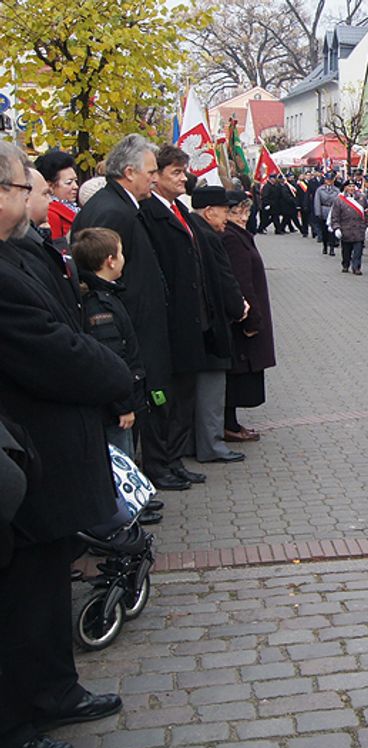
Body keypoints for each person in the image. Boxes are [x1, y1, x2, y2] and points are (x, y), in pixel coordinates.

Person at [0, 140, 132, 748]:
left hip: (48, 446)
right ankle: (15, 723)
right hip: (27, 446)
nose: (38, 195)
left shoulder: (21, 250)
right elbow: (49, 346)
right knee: (20, 593)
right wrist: (115, 375)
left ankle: (55, 690)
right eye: (22, 187)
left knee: (45, 583)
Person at [71, 135, 176, 491]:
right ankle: (142, 480)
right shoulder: (111, 210)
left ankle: (161, 465)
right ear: (129, 172)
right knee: (138, 409)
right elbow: (101, 271)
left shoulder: (125, 205)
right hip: (129, 328)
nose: (154, 177)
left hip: (139, 324)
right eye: (150, 171)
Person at [138, 144, 215, 491]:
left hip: (190, 317)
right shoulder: (149, 212)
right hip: (171, 319)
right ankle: (162, 463)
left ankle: (176, 459)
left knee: (183, 396)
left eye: (184, 172)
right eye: (176, 173)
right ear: (156, 179)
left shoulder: (176, 209)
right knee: (166, 400)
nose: (185, 178)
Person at [71, 227, 148, 462]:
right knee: (120, 459)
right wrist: (123, 405)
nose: (124, 259)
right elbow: (111, 357)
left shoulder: (107, 295)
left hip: (117, 400)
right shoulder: (99, 305)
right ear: (110, 261)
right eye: (121, 253)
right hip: (115, 406)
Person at [187, 186, 248, 464]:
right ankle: (212, 445)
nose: (228, 218)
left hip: (200, 322)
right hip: (210, 325)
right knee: (211, 391)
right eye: (225, 212)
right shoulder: (209, 237)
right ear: (209, 211)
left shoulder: (196, 229)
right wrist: (239, 306)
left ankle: (199, 442)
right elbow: (223, 277)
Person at [221, 197, 275, 441]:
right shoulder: (231, 238)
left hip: (247, 315)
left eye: (246, 211)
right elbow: (242, 282)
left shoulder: (238, 234)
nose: (243, 217)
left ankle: (231, 422)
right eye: (236, 212)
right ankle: (228, 424)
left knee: (240, 373)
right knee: (237, 374)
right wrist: (252, 320)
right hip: (242, 319)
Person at [33, 150, 79, 247]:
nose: (75, 186)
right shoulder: (50, 214)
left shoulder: (71, 208)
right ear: (50, 186)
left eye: (75, 181)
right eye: (69, 182)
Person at [330, 179, 368, 275]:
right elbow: (335, 215)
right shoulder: (339, 200)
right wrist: (336, 228)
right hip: (346, 229)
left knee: (358, 251)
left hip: (359, 229)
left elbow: (367, 213)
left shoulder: (362, 198)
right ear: (345, 187)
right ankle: (345, 264)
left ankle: (356, 267)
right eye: (349, 186)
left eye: (353, 186)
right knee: (346, 251)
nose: (351, 188)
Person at [313, 172, 340, 256]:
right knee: (324, 231)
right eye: (328, 180)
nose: (329, 181)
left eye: (331, 180)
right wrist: (318, 213)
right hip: (323, 211)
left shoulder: (337, 190)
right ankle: (325, 246)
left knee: (332, 231)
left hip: (333, 211)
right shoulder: (320, 189)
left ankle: (331, 248)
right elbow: (317, 202)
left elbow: (339, 202)